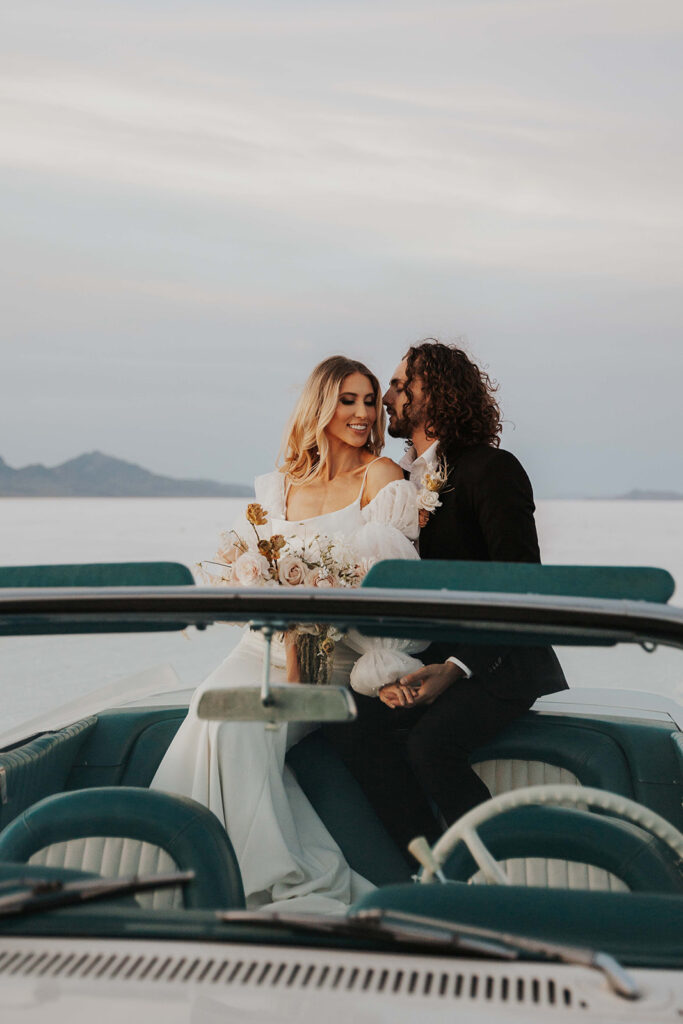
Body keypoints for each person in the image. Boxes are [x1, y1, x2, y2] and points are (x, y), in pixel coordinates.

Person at [151, 356, 424, 913]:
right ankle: (215, 877)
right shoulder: (278, 488)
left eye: (370, 401)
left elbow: (393, 584)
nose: (362, 412)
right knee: (208, 711)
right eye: (348, 400)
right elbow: (248, 566)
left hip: (332, 656)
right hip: (261, 647)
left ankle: (269, 886)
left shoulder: (382, 478)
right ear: (320, 405)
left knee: (242, 732)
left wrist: (382, 663)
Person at [325, 340, 567, 855]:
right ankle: (427, 866)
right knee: (351, 724)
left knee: (430, 745)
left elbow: (523, 585)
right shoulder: (400, 480)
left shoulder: (491, 470)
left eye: (396, 385)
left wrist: (454, 668)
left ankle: (496, 872)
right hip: (430, 653)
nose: (384, 399)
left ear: (431, 392)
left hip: (501, 660)